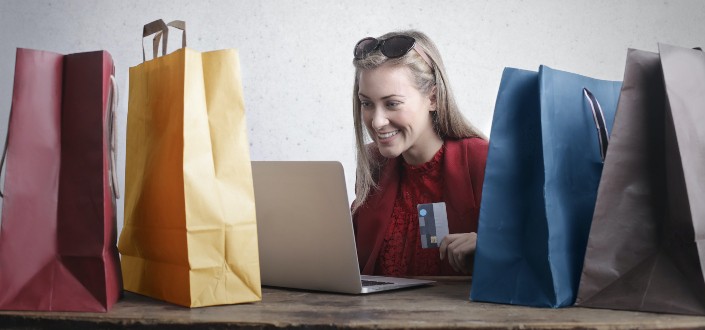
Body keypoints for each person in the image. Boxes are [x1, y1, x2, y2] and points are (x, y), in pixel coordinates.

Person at [351, 30, 488, 276]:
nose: (377, 121)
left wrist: (492, 246)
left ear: (433, 98)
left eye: (392, 103)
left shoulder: (480, 160)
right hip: (378, 313)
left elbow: (536, 246)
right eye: (367, 103)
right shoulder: (374, 165)